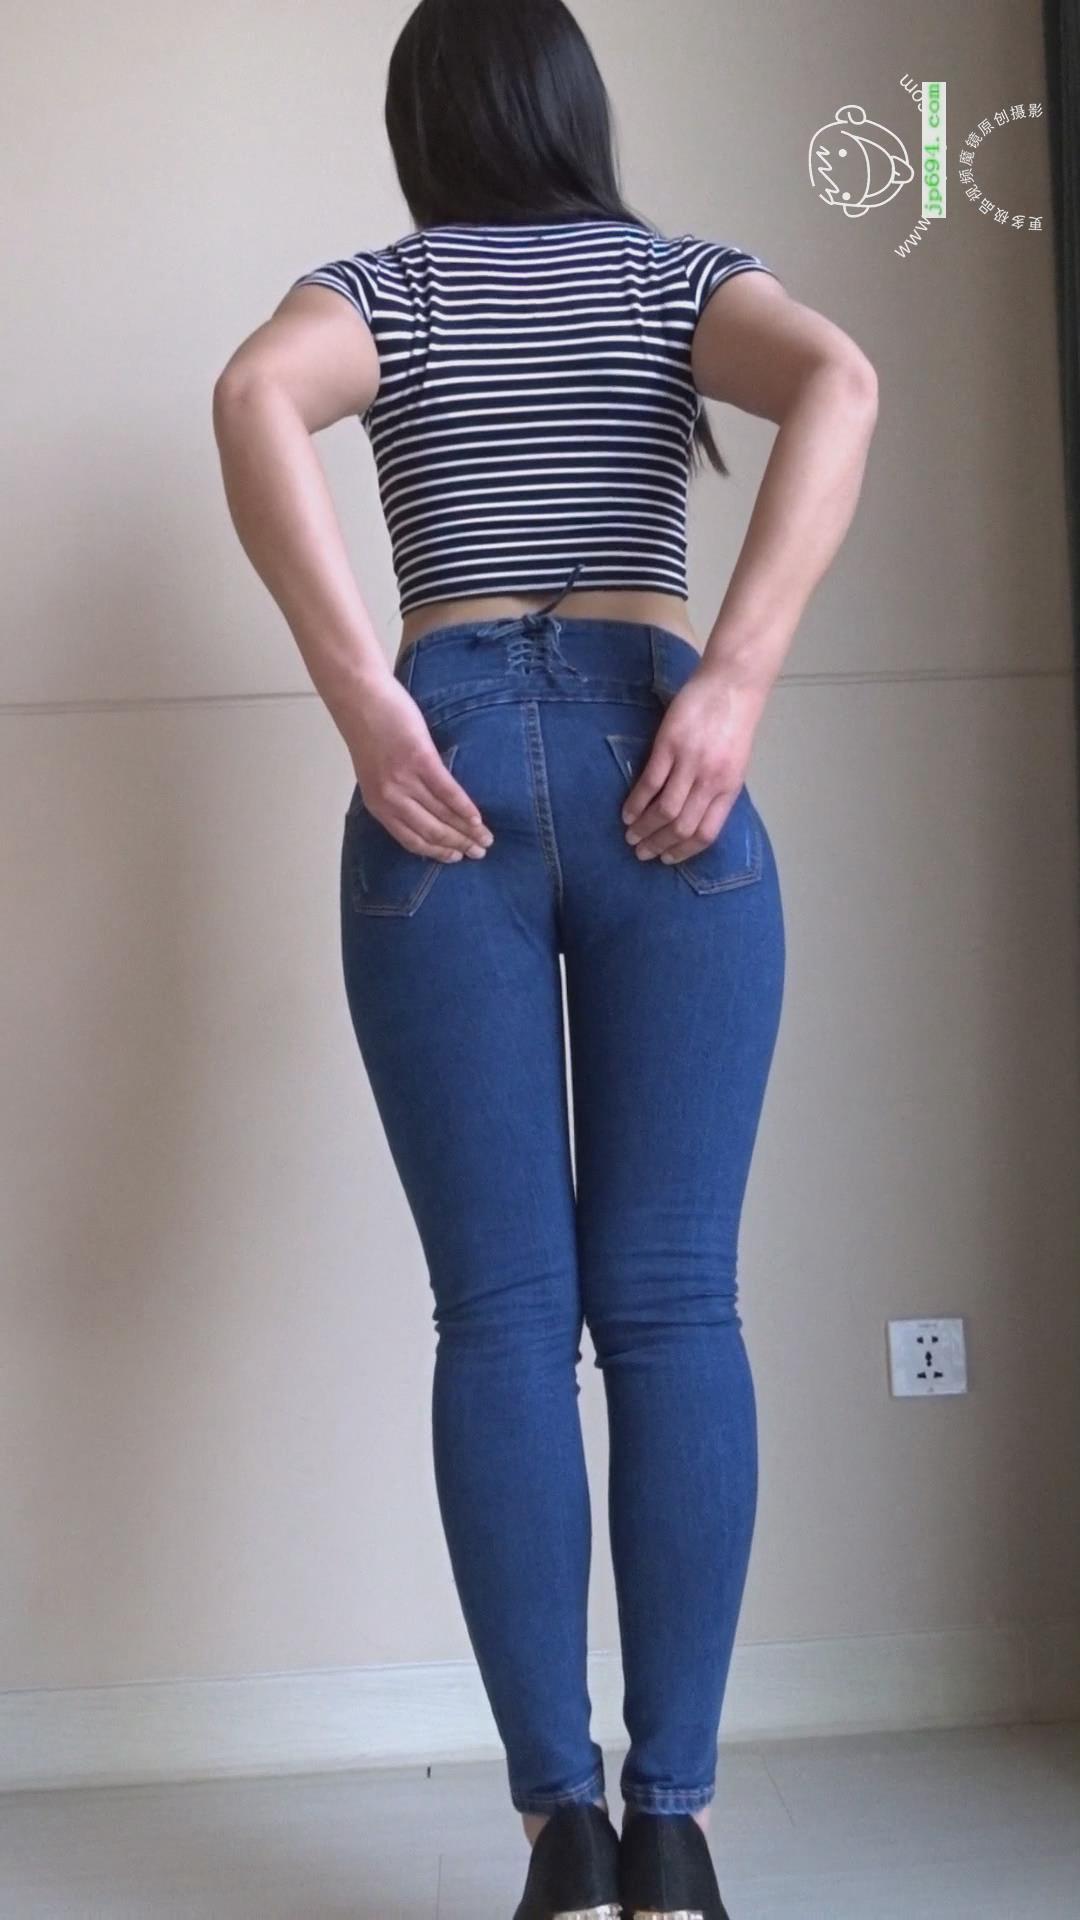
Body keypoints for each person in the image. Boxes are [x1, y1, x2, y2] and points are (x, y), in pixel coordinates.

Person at [212, 1, 878, 1913]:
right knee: (674, 1307)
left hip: (442, 780)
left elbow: (252, 396)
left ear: (421, 123)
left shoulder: (384, 289)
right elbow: (841, 378)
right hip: (663, 758)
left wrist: (365, 700)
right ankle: (673, 1830)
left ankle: (561, 1835)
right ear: (577, 108)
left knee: (501, 1319)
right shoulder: (677, 280)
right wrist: (733, 680)